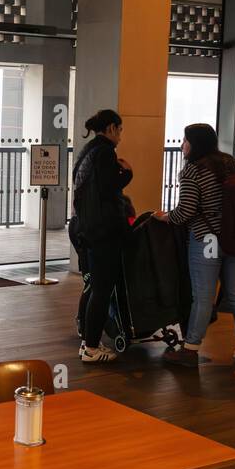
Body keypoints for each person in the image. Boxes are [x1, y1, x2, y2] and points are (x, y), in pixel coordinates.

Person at [152, 123, 235, 368]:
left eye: (185, 140)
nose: (181, 145)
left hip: (208, 239)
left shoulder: (193, 170)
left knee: (203, 296)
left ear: (195, 143)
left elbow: (186, 211)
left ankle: (190, 350)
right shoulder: (229, 163)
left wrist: (165, 217)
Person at [70, 109, 134, 363]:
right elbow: (109, 190)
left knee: (94, 286)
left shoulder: (88, 150)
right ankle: (92, 347)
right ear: (110, 128)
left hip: (85, 228)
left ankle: (87, 337)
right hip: (103, 232)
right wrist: (128, 174)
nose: (120, 135)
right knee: (102, 289)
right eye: (119, 130)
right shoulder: (106, 152)